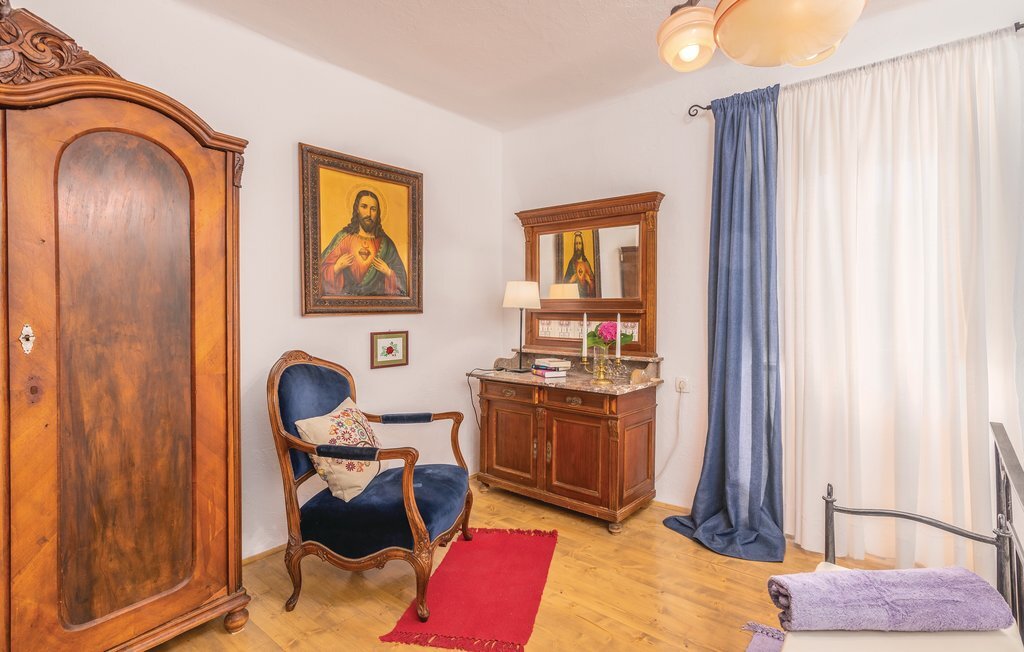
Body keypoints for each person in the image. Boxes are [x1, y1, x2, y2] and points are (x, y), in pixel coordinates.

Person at [320, 189, 408, 296]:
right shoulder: (343, 238)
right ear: (357, 209)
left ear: (378, 213)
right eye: (364, 207)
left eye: (373, 209)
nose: (368, 214)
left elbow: (403, 284)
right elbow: (318, 272)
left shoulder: (387, 244)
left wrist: (388, 272)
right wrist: (337, 267)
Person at [561, 231, 596, 297]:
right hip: (574, 298)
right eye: (576, 244)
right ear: (574, 246)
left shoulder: (586, 262)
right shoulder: (571, 263)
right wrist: (571, 281)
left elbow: (594, 284)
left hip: (586, 299)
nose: (578, 246)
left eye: (579, 243)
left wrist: (589, 281)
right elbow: (564, 284)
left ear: (582, 245)